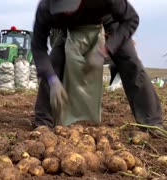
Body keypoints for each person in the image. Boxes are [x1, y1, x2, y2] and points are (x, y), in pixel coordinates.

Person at [31, 0, 166, 136]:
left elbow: (131, 19)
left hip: (108, 24)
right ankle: (43, 122)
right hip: (70, 30)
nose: (67, 11)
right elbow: (38, 47)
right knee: (54, 63)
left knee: (130, 62)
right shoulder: (46, 8)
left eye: (70, 7)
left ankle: (151, 122)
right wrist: (51, 78)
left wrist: (106, 49)